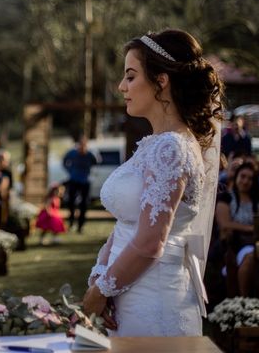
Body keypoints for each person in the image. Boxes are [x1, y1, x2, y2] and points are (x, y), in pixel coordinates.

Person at [82, 29, 223, 337]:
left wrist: (101, 291)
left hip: (153, 301)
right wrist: (100, 274)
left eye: (130, 77)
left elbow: (150, 242)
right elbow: (127, 225)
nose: (122, 87)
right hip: (129, 293)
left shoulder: (171, 148)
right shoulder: (154, 145)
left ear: (162, 81)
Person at [215, 162, 259, 296]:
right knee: (249, 258)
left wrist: (256, 231)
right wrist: (252, 228)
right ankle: (243, 300)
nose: (246, 181)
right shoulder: (226, 197)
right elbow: (224, 224)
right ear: (236, 177)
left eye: (250, 178)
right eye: (243, 176)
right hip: (237, 243)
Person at [63, 135, 98, 233]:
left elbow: (96, 162)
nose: (81, 147)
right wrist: (69, 171)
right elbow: (64, 161)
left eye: (84, 145)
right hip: (73, 180)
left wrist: (89, 171)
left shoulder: (90, 154)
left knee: (83, 204)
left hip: (85, 181)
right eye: (80, 145)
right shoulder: (72, 153)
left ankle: (80, 226)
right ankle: (71, 222)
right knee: (70, 202)